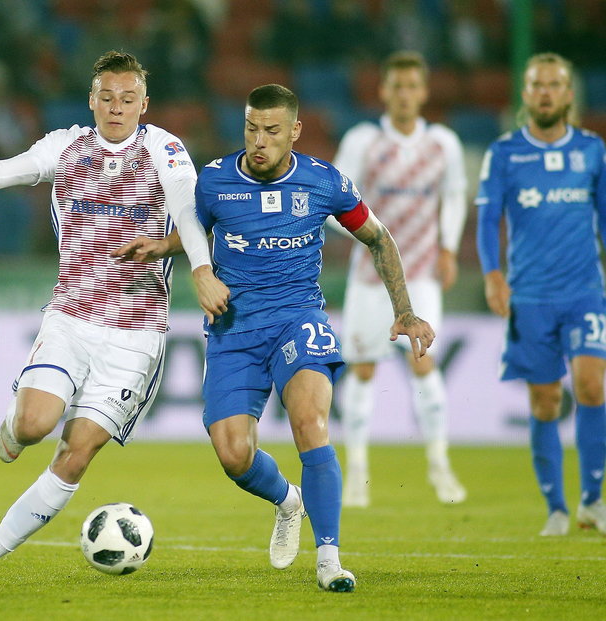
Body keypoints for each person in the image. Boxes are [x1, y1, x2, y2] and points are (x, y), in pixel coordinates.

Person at [0, 50, 230, 589]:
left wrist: (200, 269)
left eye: (128, 99)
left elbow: (188, 211)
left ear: (144, 103)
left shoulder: (166, 150)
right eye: (107, 98)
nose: (116, 108)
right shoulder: (65, 145)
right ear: (92, 100)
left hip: (135, 334)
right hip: (71, 319)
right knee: (32, 426)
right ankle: (12, 428)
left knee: (76, 454)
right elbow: (4, 171)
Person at [114, 84, 435, 592]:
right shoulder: (216, 180)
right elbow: (196, 230)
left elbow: (378, 236)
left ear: (294, 131)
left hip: (297, 318)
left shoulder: (323, 182)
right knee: (233, 454)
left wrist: (406, 311)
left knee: (310, 420)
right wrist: (160, 246)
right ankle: (290, 501)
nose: (258, 141)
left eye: (271, 131)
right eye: (251, 128)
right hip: (233, 329)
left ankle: (329, 560)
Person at [476, 52, 606, 536]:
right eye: (537, 84)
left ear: (570, 93)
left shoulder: (593, 150)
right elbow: (489, 220)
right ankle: (555, 506)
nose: (546, 92)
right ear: (526, 94)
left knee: (592, 385)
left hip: (585, 290)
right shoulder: (506, 153)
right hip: (529, 296)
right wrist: (493, 275)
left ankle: (592, 500)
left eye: (555, 84)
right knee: (546, 401)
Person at [331, 51, 468, 508]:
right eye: (398, 86)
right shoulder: (363, 140)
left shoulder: (443, 144)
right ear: (384, 91)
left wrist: (448, 247)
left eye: (413, 86)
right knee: (364, 369)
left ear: (423, 92)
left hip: (422, 273)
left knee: (423, 364)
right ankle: (358, 473)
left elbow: (453, 197)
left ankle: (440, 463)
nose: (405, 94)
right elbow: (336, 201)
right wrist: (367, 235)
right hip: (370, 278)